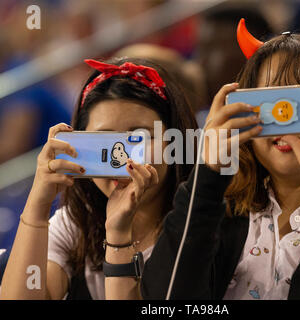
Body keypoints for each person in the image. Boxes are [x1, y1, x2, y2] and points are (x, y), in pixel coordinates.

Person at [140, 7, 300, 299]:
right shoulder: (217, 210)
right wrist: (207, 179)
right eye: (271, 103)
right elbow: (164, 302)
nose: (287, 120)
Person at [0, 57, 198, 300]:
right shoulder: (74, 223)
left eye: (139, 137)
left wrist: (118, 238)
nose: (123, 159)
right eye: (105, 140)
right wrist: (37, 208)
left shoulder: (203, 224)